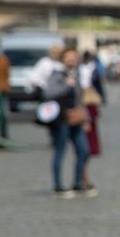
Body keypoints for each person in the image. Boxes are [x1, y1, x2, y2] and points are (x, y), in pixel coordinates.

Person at [44, 47, 94, 198]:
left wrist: (86, 118)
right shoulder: (57, 74)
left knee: (84, 150)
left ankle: (78, 183)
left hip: (76, 118)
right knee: (60, 150)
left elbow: (80, 99)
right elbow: (48, 93)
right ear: (62, 59)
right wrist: (66, 85)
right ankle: (58, 185)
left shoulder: (76, 74)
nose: (72, 60)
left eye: (74, 57)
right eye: (68, 57)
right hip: (61, 118)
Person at [79, 50, 105, 193]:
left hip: (91, 105)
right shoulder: (77, 71)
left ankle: (82, 177)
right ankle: (82, 178)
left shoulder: (93, 68)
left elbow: (99, 85)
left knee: (87, 148)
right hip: (80, 110)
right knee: (82, 148)